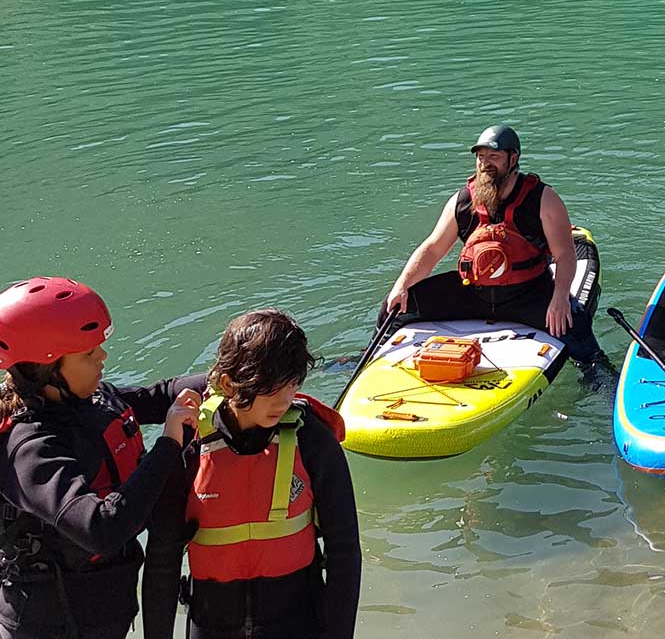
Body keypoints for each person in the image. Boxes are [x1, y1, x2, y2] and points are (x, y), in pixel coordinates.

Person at [0, 276, 202, 639]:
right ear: (47, 368)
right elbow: (100, 529)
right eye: (88, 354)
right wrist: (170, 444)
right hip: (52, 625)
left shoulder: (86, 399)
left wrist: (231, 377)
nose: (103, 357)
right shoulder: (30, 449)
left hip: (103, 611)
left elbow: (159, 395)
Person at [141, 308, 359, 639]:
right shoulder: (188, 447)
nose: (285, 399)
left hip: (300, 624)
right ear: (228, 384)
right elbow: (162, 561)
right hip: (211, 624)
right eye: (272, 388)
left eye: (293, 384)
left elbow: (344, 552)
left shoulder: (313, 440)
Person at [383, 125, 615, 391]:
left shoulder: (543, 200)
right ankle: (371, 355)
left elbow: (565, 255)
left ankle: (600, 379)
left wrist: (560, 297)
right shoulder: (463, 201)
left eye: (493, 157)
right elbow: (433, 248)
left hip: (526, 294)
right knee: (396, 307)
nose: (485, 164)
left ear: (512, 159)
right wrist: (401, 285)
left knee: (576, 324)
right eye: (481, 157)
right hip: (474, 295)